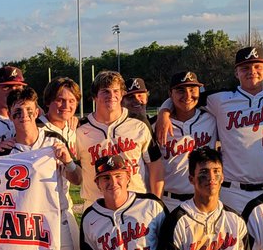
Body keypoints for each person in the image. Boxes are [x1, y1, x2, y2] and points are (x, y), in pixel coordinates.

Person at [158, 47, 263, 215]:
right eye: (244, 68)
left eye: (257, 66)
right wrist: (164, 111)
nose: (252, 71)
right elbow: (186, 98)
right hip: (232, 191)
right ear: (236, 73)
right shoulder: (219, 99)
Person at [5, 86, 82, 250]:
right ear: (10, 116)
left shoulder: (53, 141)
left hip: (57, 221)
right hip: (24, 227)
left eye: (29, 111)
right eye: (17, 112)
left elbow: (77, 179)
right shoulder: (5, 152)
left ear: (37, 111)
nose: (24, 117)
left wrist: (68, 162)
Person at [75, 70, 162, 205]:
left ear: (122, 94)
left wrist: (156, 201)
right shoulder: (80, 129)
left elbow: (155, 165)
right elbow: (74, 170)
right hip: (96, 205)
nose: (111, 96)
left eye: (116, 91)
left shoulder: (139, 123)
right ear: (95, 97)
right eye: (105, 91)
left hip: (136, 203)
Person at [155, 71, 218, 211]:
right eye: (180, 90)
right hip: (168, 201)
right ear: (170, 94)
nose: (188, 95)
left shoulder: (211, 119)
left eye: (192, 89)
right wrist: (164, 113)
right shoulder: (157, 125)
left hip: (204, 198)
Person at [41, 76, 81, 153]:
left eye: (71, 101)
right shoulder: (35, 129)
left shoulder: (76, 127)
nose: (66, 106)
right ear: (48, 102)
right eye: (60, 100)